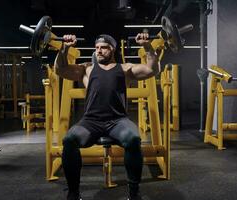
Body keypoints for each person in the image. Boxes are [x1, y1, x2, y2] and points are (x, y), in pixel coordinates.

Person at [54, 33, 160, 200]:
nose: (99, 51)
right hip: (91, 121)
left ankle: (134, 192)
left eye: (103, 47)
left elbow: (152, 69)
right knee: (69, 140)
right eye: (97, 48)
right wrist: (65, 47)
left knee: (133, 139)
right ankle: (73, 192)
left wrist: (147, 45)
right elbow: (60, 69)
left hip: (117, 121)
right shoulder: (87, 69)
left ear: (112, 49)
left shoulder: (124, 69)